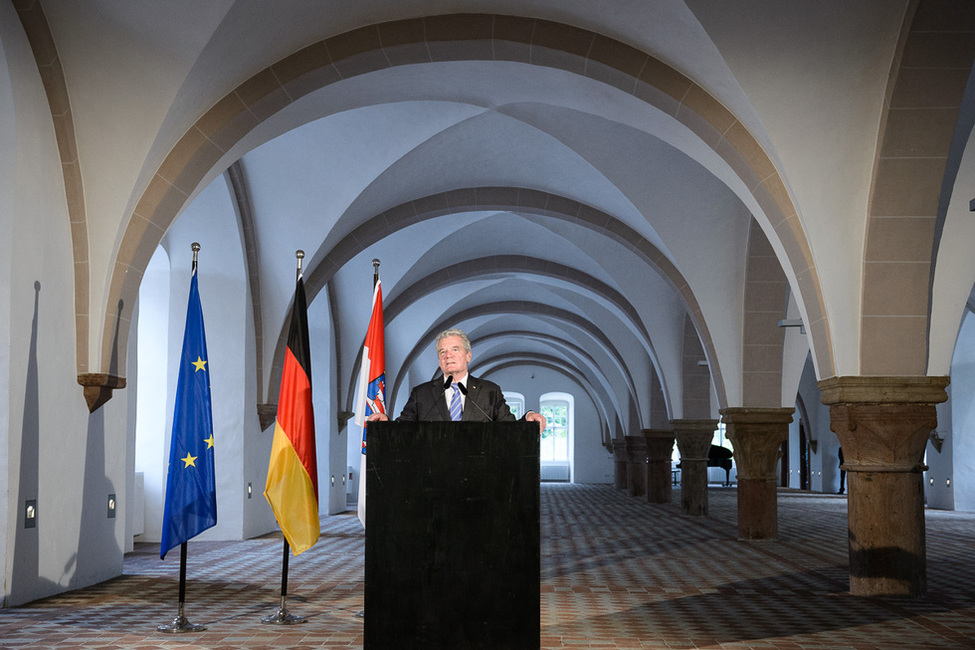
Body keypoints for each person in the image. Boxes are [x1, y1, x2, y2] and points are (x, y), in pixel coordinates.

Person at [367, 328, 546, 431]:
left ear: (468, 355)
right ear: (439, 360)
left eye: (455, 349)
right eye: (442, 352)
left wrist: (528, 418)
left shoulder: (490, 391)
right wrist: (386, 424)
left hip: (479, 478)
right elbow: (402, 430)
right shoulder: (421, 394)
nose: (448, 356)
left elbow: (509, 430)